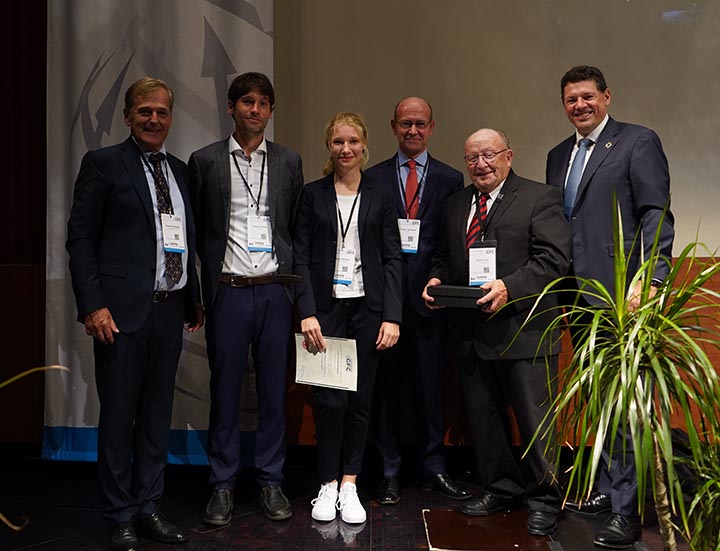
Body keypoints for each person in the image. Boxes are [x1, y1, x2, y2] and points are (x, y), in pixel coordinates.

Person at [66, 77, 203, 551]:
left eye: (162, 112)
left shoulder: (181, 172)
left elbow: (185, 240)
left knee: (155, 419)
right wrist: (93, 305)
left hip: (170, 310)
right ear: (128, 116)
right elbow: (80, 239)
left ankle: (148, 506)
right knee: (119, 417)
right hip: (120, 314)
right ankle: (119, 513)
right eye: (145, 111)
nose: (153, 119)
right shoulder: (103, 164)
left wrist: (194, 297)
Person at [546, 65, 674, 549]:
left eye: (587, 97)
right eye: (571, 99)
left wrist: (650, 277)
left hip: (623, 297)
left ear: (606, 97)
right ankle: (603, 490)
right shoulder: (559, 155)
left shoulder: (638, 142)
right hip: (576, 299)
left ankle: (626, 508)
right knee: (597, 395)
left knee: (624, 400)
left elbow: (655, 214)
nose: (579, 105)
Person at [423, 128, 571, 536]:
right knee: (485, 422)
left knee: (536, 423)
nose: (480, 164)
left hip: (525, 331)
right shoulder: (456, 204)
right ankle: (501, 487)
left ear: (508, 155)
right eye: (472, 158)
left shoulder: (540, 197)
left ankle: (545, 498)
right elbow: (442, 255)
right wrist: (435, 281)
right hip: (471, 334)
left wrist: (509, 287)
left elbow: (554, 261)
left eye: (488, 155)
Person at [188, 72, 303, 524]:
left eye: (263, 103)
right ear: (232, 107)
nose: (255, 110)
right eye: (246, 102)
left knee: (275, 391)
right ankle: (222, 484)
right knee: (226, 392)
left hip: (275, 291)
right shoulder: (206, 161)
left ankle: (272, 481)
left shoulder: (289, 162)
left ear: (272, 111)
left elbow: (292, 228)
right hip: (229, 292)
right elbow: (198, 232)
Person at [294, 112, 402, 525]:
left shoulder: (380, 193)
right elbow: (299, 256)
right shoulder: (312, 194)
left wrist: (392, 316)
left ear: (364, 145)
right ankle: (325, 483)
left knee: (360, 401)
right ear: (329, 146)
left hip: (368, 310)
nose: (346, 149)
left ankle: (349, 484)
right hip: (325, 311)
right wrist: (305, 310)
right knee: (328, 400)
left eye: (353, 141)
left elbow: (393, 258)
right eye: (338, 142)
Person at [366, 97, 469, 505]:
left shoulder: (449, 178)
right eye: (405, 124)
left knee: (431, 389)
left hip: (431, 301)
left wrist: (439, 279)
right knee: (386, 390)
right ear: (393, 126)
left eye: (420, 124)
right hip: (385, 304)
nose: (413, 131)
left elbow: (449, 241)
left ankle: (434, 467)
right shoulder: (373, 177)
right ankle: (389, 470)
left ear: (432, 127)